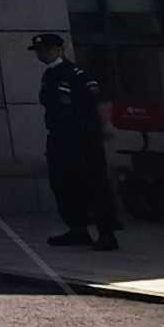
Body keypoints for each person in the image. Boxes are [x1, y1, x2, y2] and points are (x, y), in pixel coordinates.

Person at [31, 31, 121, 252]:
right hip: (59, 137)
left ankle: (106, 233)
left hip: (83, 138)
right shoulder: (49, 75)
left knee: (94, 184)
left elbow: (98, 102)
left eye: (44, 50)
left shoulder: (77, 74)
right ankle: (77, 229)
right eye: (38, 51)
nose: (41, 55)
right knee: (63, 184)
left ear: (58, 50)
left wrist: (105, 126)